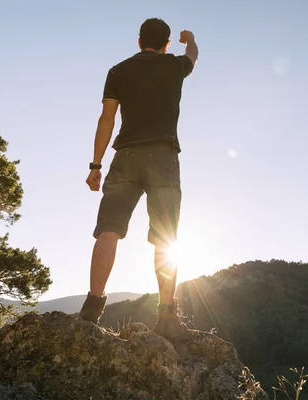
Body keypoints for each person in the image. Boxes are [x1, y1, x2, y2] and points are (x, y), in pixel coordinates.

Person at [78, 18, 198, 342]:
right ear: (166, 44)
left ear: (138, 41)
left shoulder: (117, 71)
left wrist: (95, 164)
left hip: (125, 157)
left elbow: (107, 118)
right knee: (165, 236)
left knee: (108, 230)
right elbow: (194, 57)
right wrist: (190, 40)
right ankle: (167, 316)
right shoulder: (175, 66)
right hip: (162, 157)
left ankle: (92, 307)